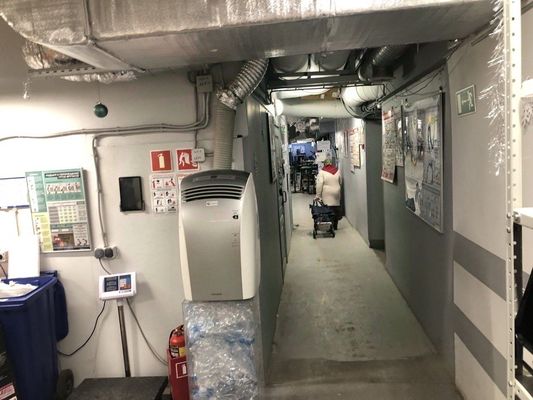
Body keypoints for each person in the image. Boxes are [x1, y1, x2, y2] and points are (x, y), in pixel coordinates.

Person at [315, 159, 342, 229]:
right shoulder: (337, 170)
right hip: (337, 191)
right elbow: (340, 181)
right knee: (336, 208)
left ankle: (329, 226)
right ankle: (335, 225)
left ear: (324, 164)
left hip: (327, 193)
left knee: (328, 209)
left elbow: (319, 184)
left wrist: (318, 195)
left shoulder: (322, 172)